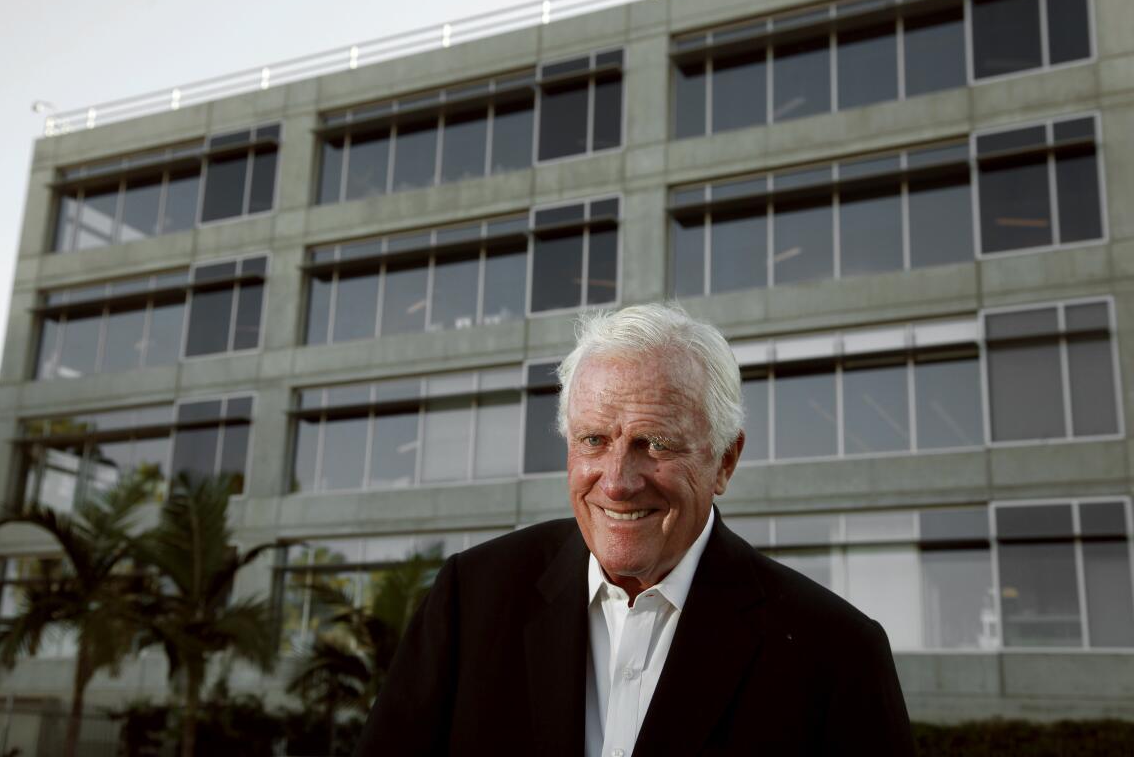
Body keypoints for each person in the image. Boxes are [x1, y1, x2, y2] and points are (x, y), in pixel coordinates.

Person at [355, 304, 915, 756]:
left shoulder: (837, 653)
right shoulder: (471, 598)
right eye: (594, 441)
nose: (617, 483)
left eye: (658, 444)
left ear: (724, 461)